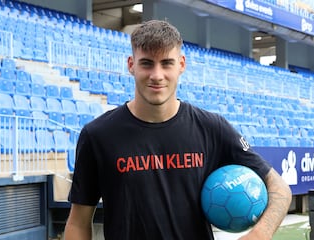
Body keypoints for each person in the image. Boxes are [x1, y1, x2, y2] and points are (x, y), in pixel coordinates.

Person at [64, 20, 292, 240]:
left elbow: (280, 188)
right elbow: (78, 222)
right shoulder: (98, 135)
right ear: (131, 65)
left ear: (181, 64)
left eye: (166, 63)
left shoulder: (212, 128)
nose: (157, 75)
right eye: (146, 63)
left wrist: (261, 232)